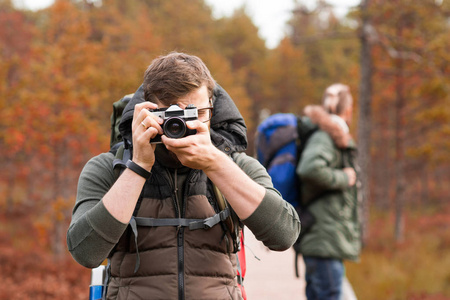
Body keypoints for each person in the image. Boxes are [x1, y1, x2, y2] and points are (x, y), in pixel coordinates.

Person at [67, 52, 301, 300]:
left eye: (195, 114)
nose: (183, 126)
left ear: (212, 107)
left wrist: (215, 164)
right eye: (170, 116)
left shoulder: (236, 165)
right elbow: (86, 253)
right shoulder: (109, 168)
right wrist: (138, 166)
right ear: (146, 110)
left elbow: (284, 235)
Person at [296, 83, 361, 300]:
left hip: (324, 239)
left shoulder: (330, 134)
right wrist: (345, 178)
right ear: (348, 109)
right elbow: (309, 168)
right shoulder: (325, 136)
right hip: (323, 238)